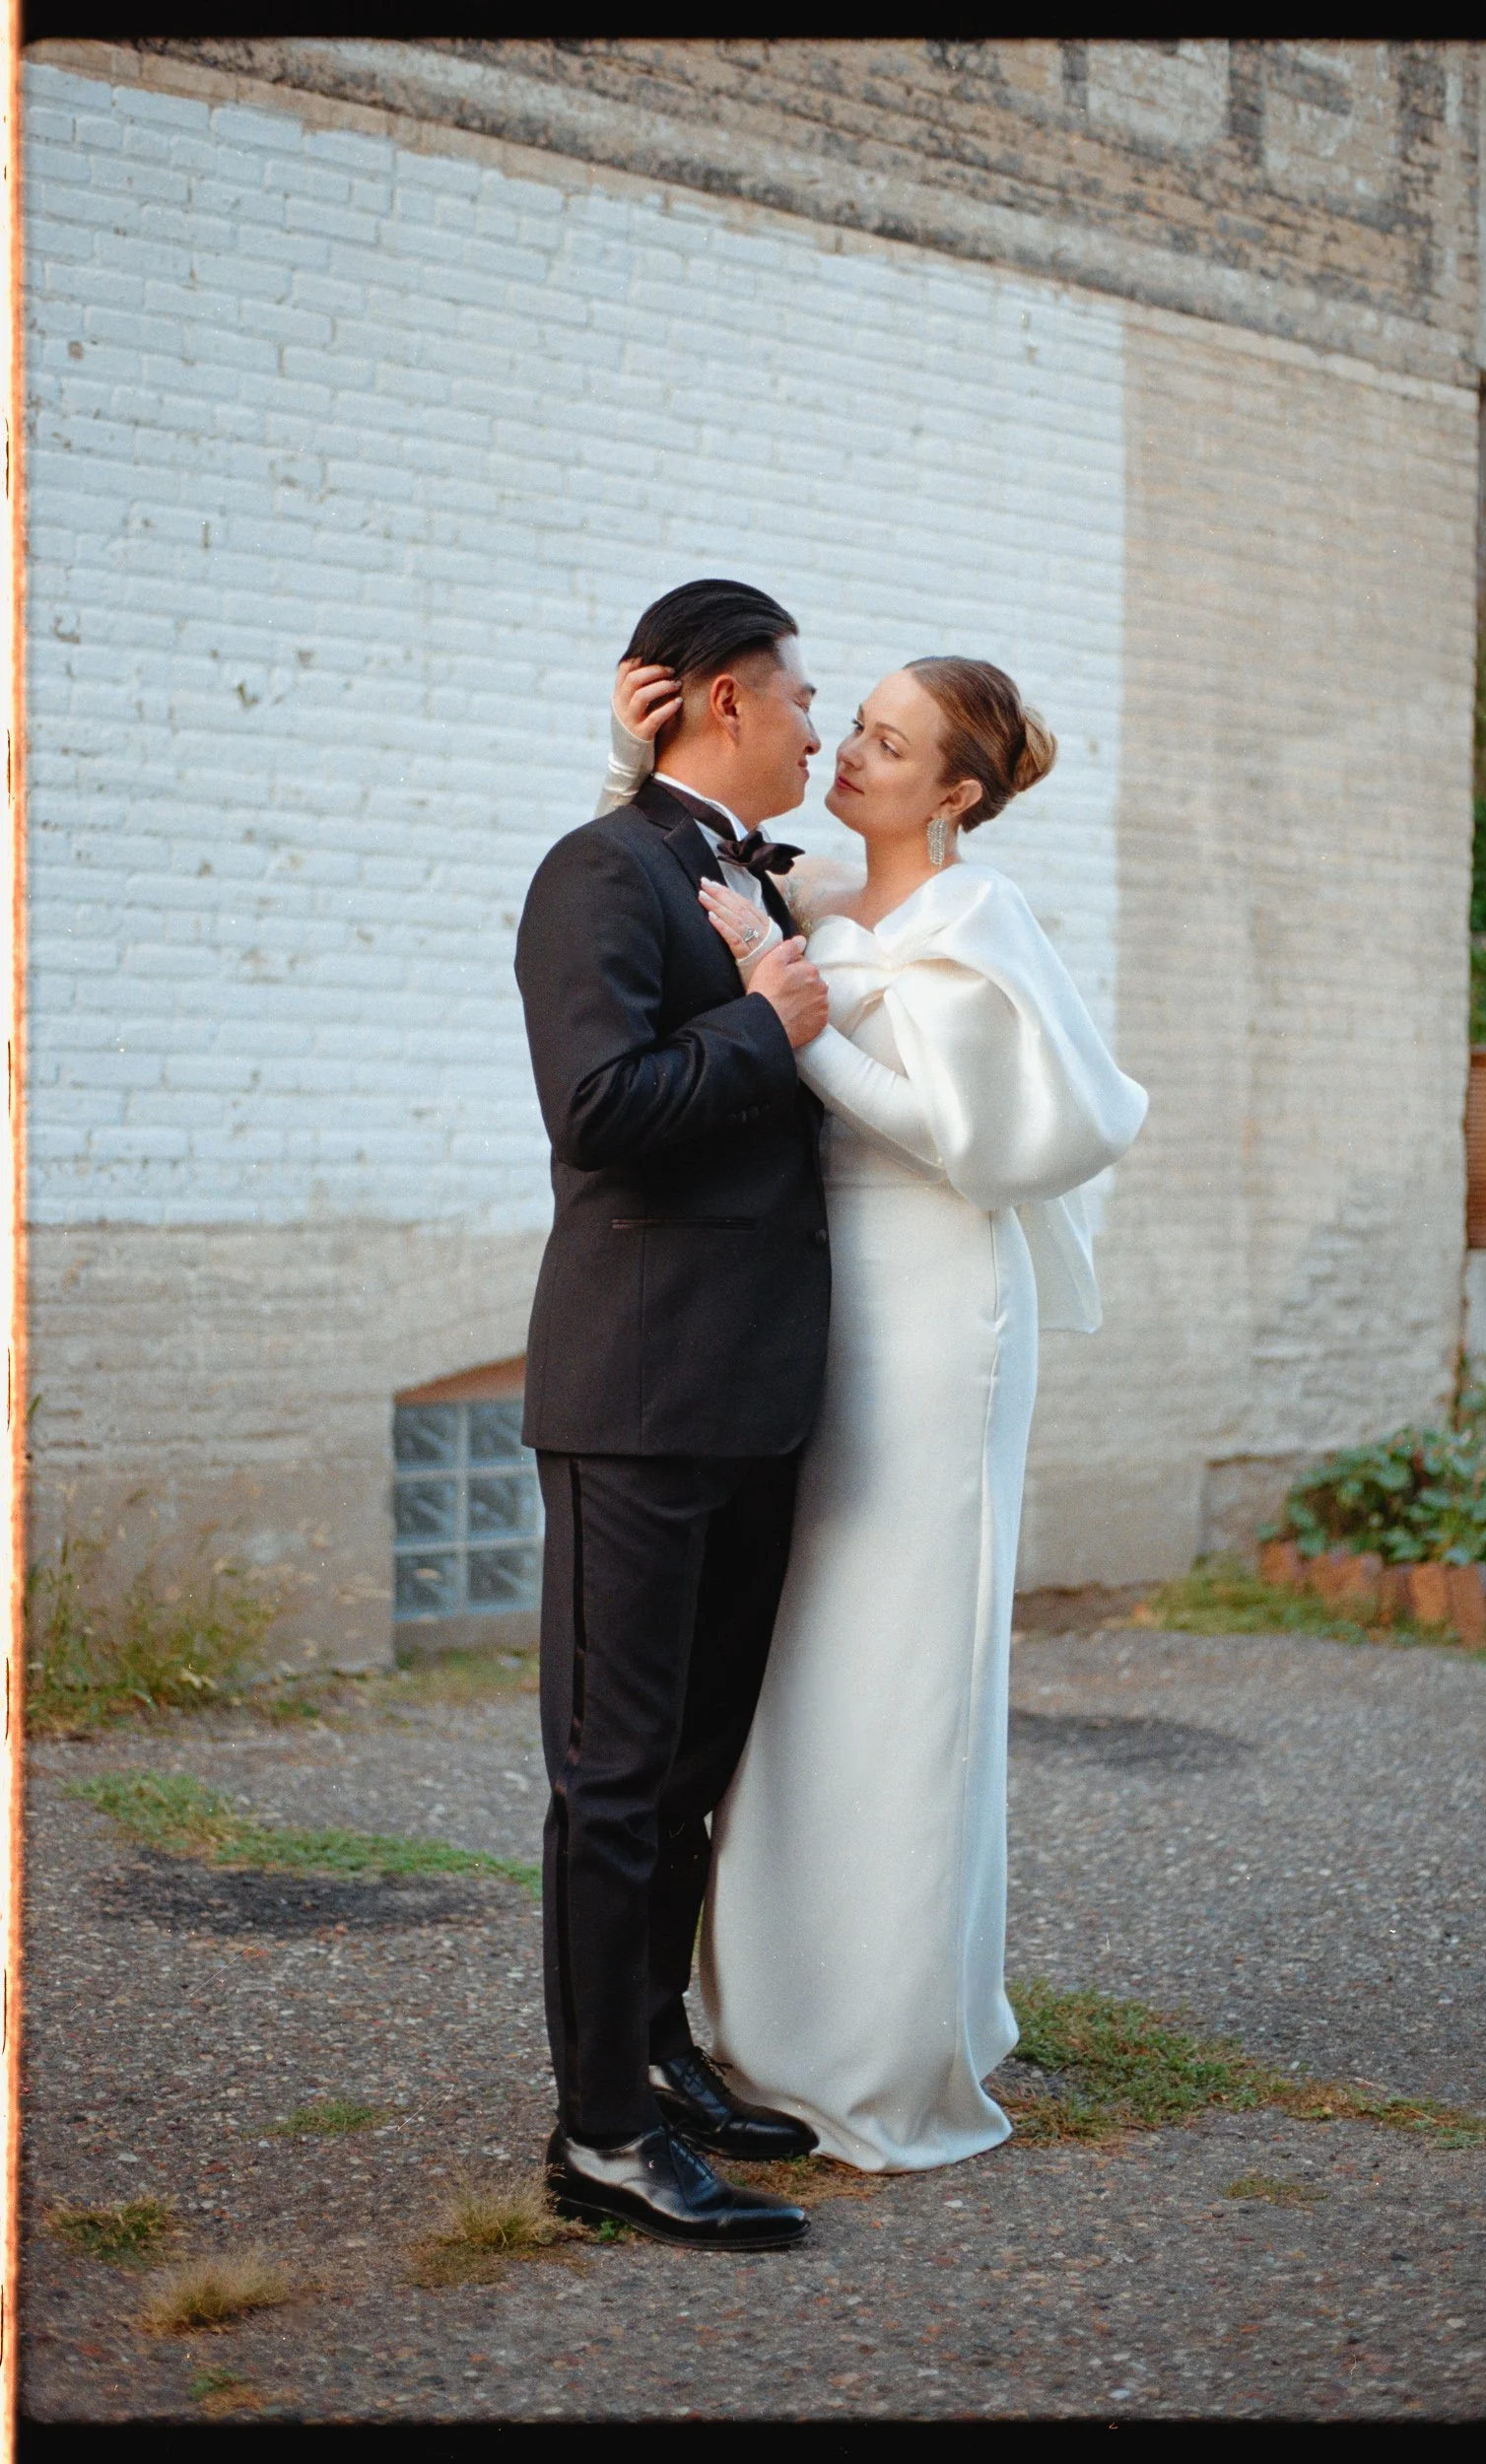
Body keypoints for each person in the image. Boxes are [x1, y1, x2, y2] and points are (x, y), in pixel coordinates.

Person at [598, 651, 1148, 2170]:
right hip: (826, 1318)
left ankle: (889, 2045)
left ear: (957, 793)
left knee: (905, 1664)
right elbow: (687, 861)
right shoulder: (830, 902)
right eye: (853, 725)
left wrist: (799, 1025)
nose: (849, 751)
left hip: (936, 1318)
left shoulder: (978, 923)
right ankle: (775, 2022)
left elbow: (948, 1134)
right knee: (809, 1663)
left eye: (890, 745)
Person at [514, 579, 840, 2251]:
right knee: (619, 1776)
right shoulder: (601, 871)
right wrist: (767, 1029)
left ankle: (656, 2054)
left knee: (694, 1765)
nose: (812, 721)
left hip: (749, 1398)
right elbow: (603, 1110)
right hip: (638, 1393)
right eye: (796, 692)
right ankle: (598, 2142)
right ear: (721, 698)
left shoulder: (735, 871)